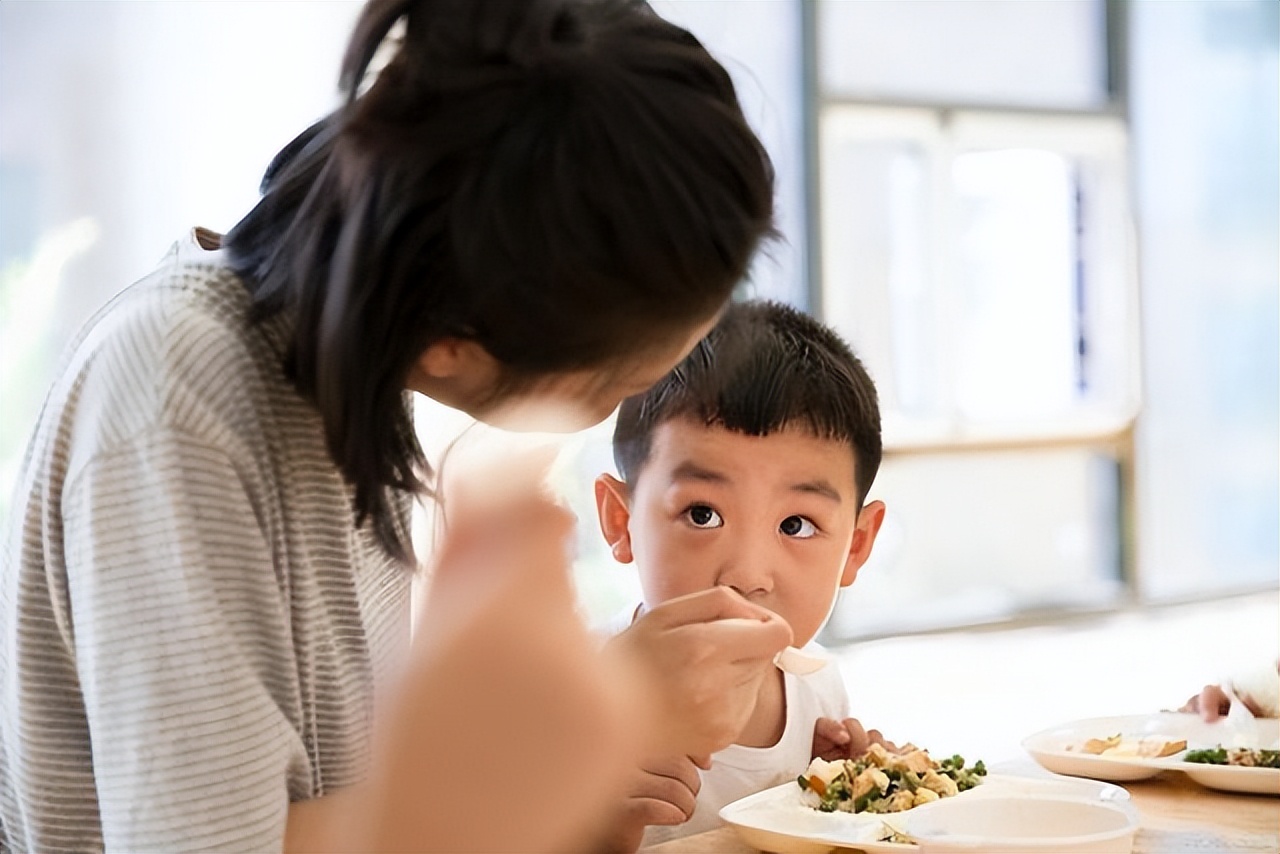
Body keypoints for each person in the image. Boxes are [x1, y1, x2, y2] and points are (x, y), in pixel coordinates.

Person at [0, 1, 796, 851]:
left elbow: (348, 778)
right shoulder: (176, 400)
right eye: (623, 382)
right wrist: (603, 726)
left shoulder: (353, 372)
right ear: (453, 348)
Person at [590, 300, 891, 849]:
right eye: (702, 515)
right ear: (621, 520)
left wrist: (840, 794)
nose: (748, 575)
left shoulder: (816, 689)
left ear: (856, 545)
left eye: (796, 524)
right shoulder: (573, 691)